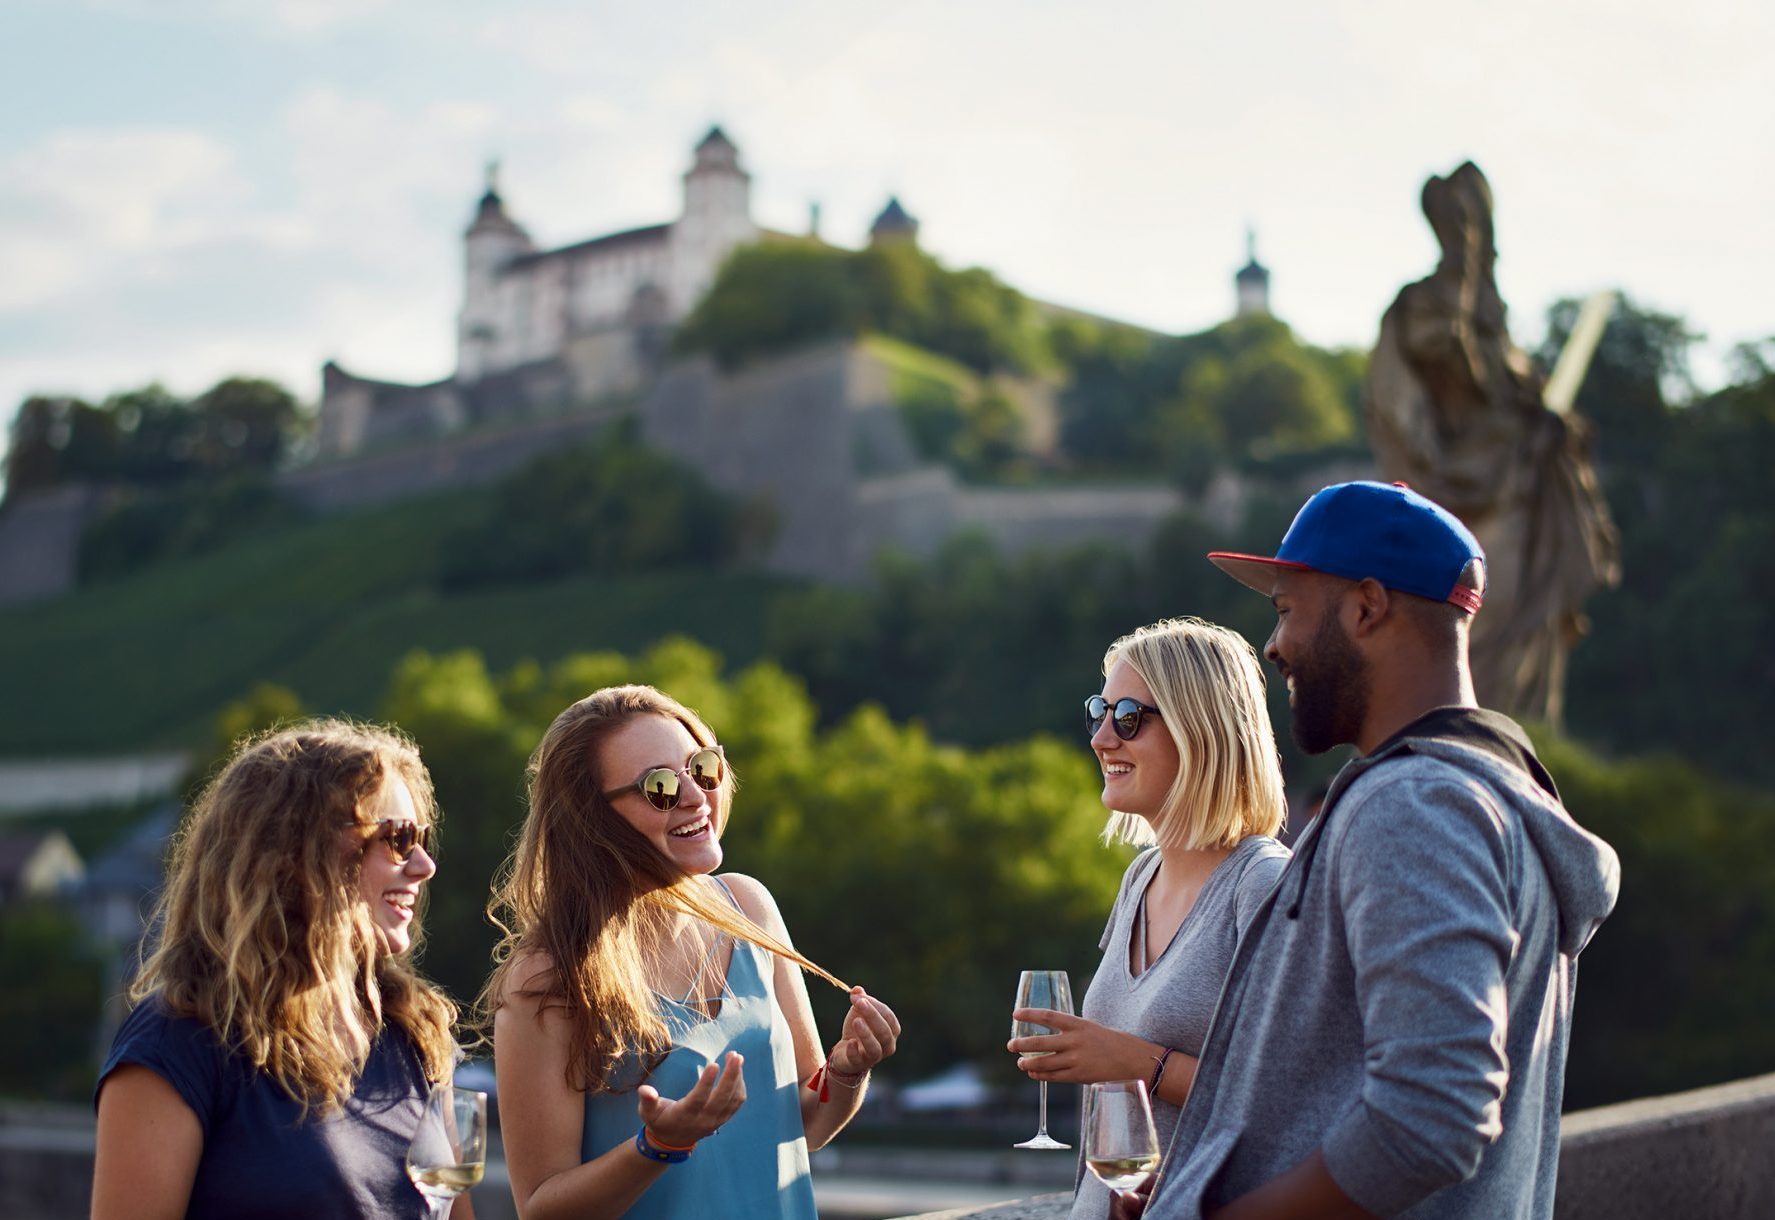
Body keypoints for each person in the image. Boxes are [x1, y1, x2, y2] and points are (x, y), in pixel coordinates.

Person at [1117, 480, 1620, 1220]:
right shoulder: (1491, 793)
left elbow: (1429, 1117)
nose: (1274, 645)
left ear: (1365, 606)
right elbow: (1350, 1085)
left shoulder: (1412, 805)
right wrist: (1204, 1181)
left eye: (1287, 610)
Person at [482, 684, 900, 1220]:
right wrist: (658, 1146)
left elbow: (807, 1124)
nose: (695, 796)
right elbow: (542, 1207)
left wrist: (846, 1072)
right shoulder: (548, 974)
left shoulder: (749, 905)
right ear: (592, 819)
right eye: (659, 786)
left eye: (702, 768)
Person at [92, 720, 466, 1220]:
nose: (423, 865)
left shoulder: (412, 1037)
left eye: (420, 837)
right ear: (294, 855)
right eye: (397, 838)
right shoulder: (179, 1042)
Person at [1008, 617, 1291, 1220]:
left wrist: (1139, 1063)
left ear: (1201, 731)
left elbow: (1289, 1097)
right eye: (1099, 712)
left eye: (1129, 717)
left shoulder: (1262, 884)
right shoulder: (1139, 877)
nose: (1101, 738)